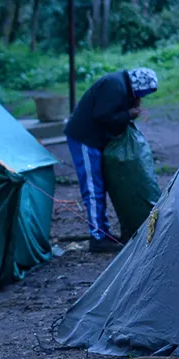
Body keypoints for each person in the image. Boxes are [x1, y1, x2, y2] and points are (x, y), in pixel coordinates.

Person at [63, 68, 158, 253]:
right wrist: (128, 114)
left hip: (94, 140)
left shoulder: (120, 85)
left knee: (99, 186)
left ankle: (103, 232)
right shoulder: (115, 86)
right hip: (84, 138)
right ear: (138, 87)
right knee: (93, 188)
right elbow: (103, 115)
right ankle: (98, 238)